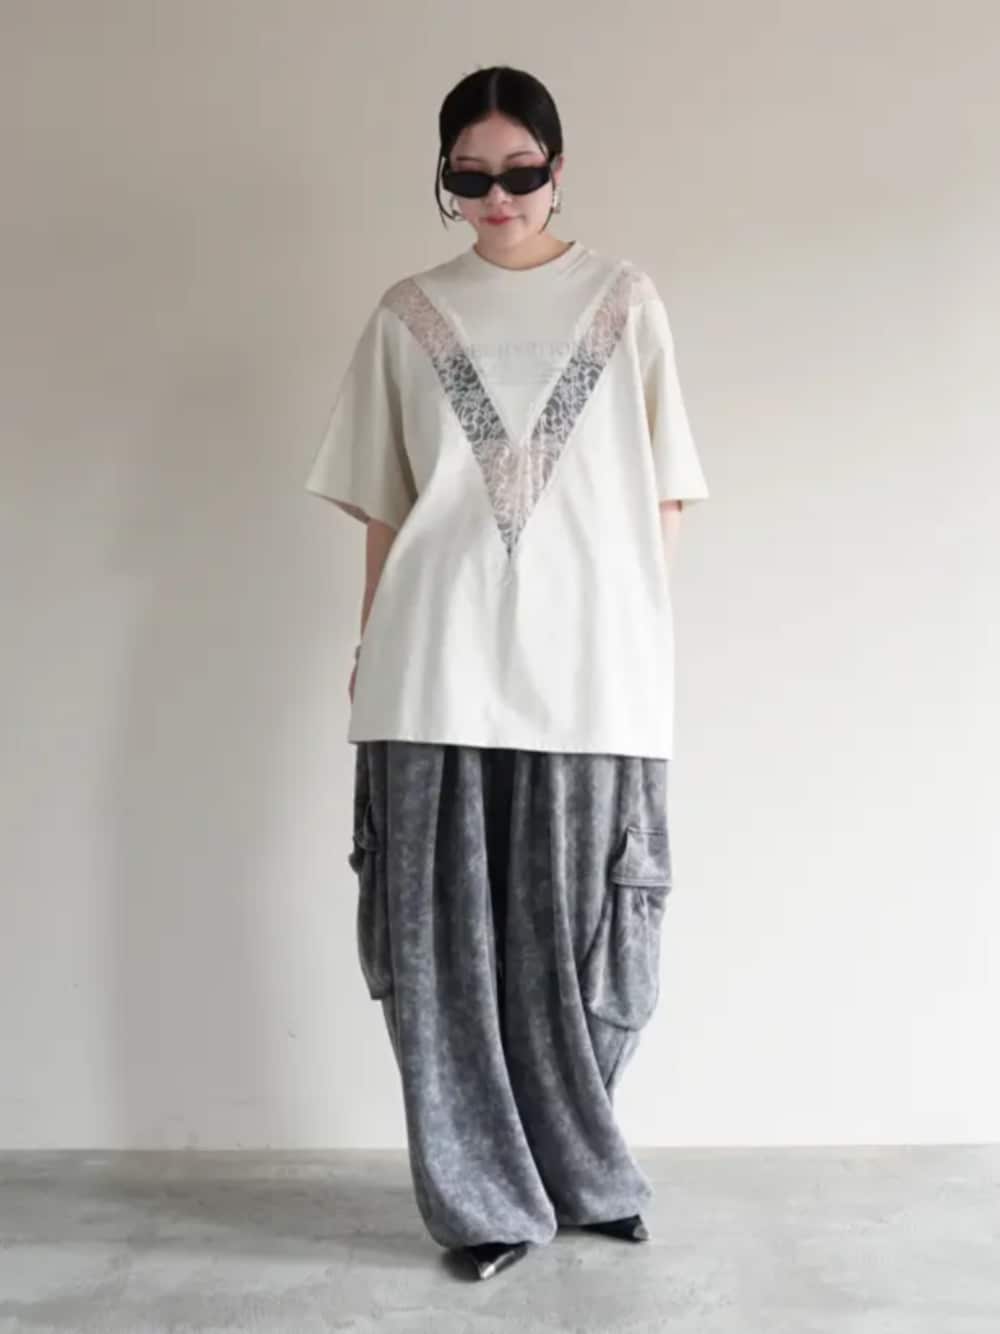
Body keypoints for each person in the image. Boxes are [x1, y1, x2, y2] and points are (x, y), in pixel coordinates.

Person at [305, 64, 709, 1281]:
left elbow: (664, 490)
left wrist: (630, 630)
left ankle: (580, 1169)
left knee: (592, 937)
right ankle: (483, 1200)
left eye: (520, 172)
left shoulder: (624, 302)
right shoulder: (408, 313)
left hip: (590, 669)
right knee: (439, 950)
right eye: (469, 176)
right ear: (444, 177)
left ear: (557, 166)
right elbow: (388, 507)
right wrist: (369, 643)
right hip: (434, 663)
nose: (497, 197)